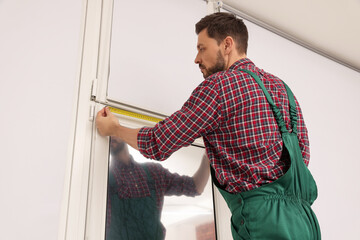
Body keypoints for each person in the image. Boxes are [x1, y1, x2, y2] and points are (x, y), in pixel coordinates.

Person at [97, 12, 321, 239]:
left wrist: (114, 129)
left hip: (264, 222)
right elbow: (302, 156)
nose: (196, 58)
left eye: (202, 48)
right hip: (305, 221)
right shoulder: (283, 89)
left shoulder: (219, 86)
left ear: (227, 44)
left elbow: (159, 142)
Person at [106, 136, 210, 240]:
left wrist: (209, 155)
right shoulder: (103, 180)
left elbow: (195, 187)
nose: (110, 137)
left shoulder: (154, 172)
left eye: (111, 131)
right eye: (105, 134)